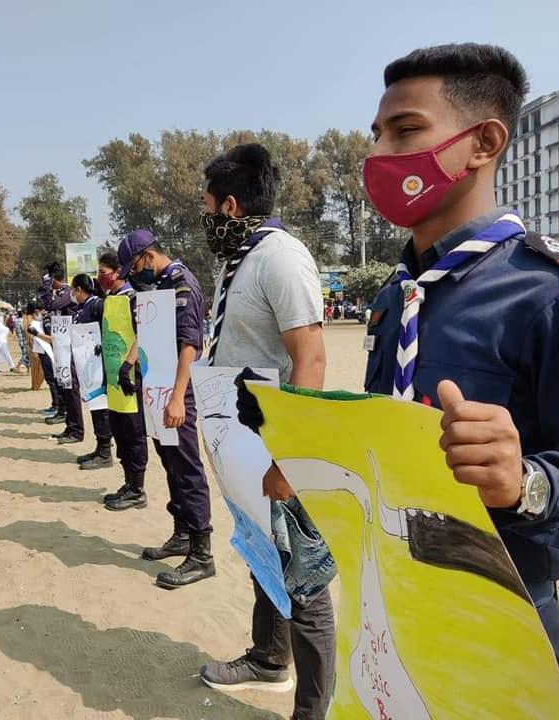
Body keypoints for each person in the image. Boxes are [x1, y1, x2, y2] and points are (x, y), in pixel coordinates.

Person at [360, 43, 559, 691]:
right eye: (376, 135)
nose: (378, 155)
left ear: (482, 143)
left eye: (407, 131)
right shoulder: (398, 295)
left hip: (498, 618)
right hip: (391, 600)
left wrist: (526, 481)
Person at [195, 143, 335, 719]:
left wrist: (293, 458)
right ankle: (269, 658)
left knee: (303, 576)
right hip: (241, 436)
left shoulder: (282, 257)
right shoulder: (241, 259)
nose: (203, 220)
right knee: (261, 551)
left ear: (230, 207)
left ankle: (312, 709)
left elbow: (312, 359)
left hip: (276, 443)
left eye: (206, 208)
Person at [116, 230, 215, 588]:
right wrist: (129, 365)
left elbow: (190, 343)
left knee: (187, 468)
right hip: (157, 390)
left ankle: (202, 554)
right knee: (170, 465)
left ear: (147, 256)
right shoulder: (156, 287)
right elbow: (149, 334)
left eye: (133, 267)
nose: (132, 275)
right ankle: (182, 533)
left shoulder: (181, 283)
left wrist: (177, 398)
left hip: (177, 391)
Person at [96, 251, 150, 479]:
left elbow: (145, 334)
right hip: (113, 377)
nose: (99, 278)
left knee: (133, 431)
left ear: (118, 272)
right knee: (118, 429)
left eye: (102, 273)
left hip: (130, 376)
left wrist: (128, 365)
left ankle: (137, 487)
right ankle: (128, 482)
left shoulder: (133, 299)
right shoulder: (110, 299)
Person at [70, 273, 114, 467]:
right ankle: (99, 447)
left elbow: (110, 327)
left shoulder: (97, 304)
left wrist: (102, 345)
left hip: (99, 366)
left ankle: (105, 452)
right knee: (94, 405)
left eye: (73, 290)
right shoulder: (84, 307)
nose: (72, 294)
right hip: (88, 365)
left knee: (100, 405)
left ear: (79, 289)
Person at [38, 263, 83, 441]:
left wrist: (46, 287)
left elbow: (50, 305)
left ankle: (77, 430)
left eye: (50, 280)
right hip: (61, 346)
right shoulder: (59, 293)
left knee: (71, 389)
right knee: (64, 386)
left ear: (55, 279)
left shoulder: (67, 292)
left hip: (70, 346)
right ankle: (70, 426)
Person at [27, 302, 60, 415]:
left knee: (52, 380)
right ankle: (55, 405)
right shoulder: (41, 321)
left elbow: (52, 339)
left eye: (34, 314)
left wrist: (36, 333)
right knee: (50, 379)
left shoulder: (47, 320)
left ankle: (57, 406)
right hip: (44, 353)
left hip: (50, 353)